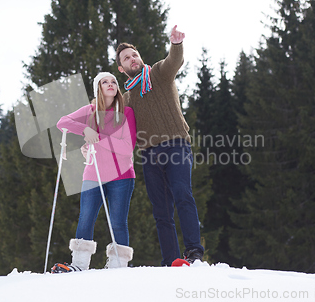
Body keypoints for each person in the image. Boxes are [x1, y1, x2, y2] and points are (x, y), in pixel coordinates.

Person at [116, 25, 205, 266]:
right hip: (150, 155)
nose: (132, 59)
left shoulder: (158, 73)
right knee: (161, 211)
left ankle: (194, 252)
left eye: (134, 54)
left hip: (176, 145)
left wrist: (176, 44)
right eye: (126, 58)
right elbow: (112, 123)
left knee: (182, 193)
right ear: (121, 68)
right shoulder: (126, 99)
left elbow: (173, 61)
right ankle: (171, 260)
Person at [53, 72, 137, 272]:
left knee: (118, 221)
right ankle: (79, 265)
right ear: (97, 88)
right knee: (86, 217)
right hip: (93, 174)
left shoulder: (127, 113)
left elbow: (127, 148)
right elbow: (62, 122)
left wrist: (97, 137)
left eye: (114, 82)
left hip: (122, 175)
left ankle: (118, 266)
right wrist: (84, 130)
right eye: (105, 82)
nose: (111, 84)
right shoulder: (89, 111)